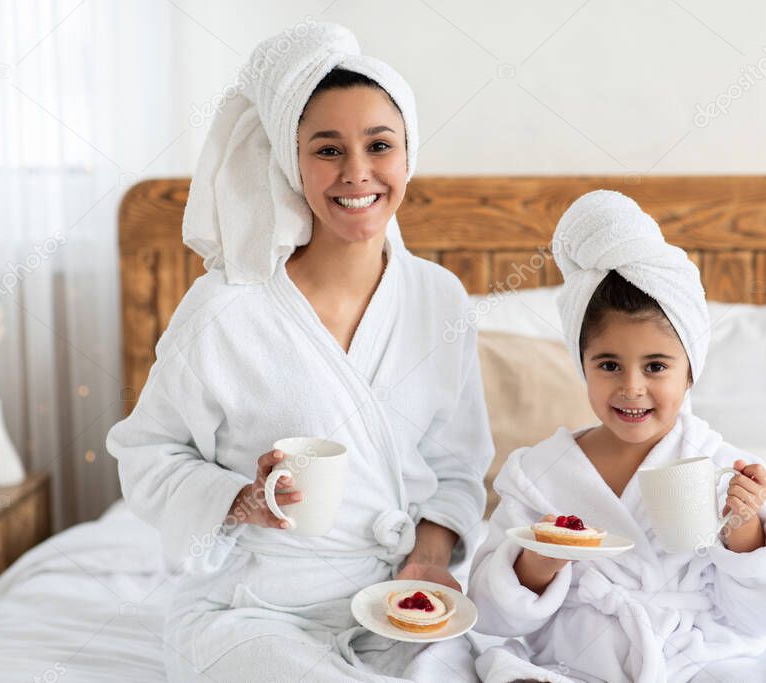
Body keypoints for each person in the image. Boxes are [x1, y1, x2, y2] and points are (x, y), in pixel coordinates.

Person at [106, 22, 493, 682]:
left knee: (501, 658)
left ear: (408, 156)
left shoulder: (439, 298)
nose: (357, 173)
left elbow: (457, 464)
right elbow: (146, 454)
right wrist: (239, 500)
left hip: (397, 604)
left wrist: (428, 559)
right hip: (256, 611)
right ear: (292, 162)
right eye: (327, 150)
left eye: (379, 145)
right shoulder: (227, 308)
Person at [468, 190, 766, 683]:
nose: (632, 388)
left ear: (690, 371)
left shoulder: (721, 467)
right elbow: (491, 614)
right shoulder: (537, 472)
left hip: (699, 661)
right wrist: (537, 563)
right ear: (581, 366)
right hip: (577, 663)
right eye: (608, 365)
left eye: (655, 366)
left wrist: (744, 530)